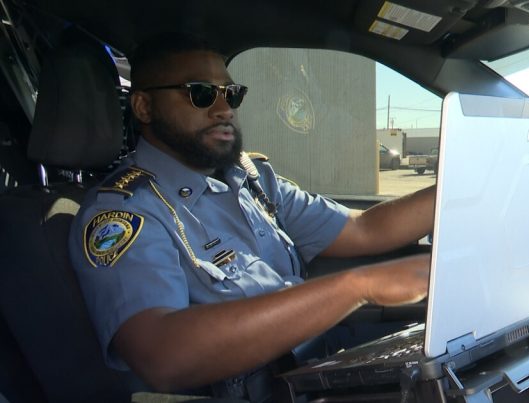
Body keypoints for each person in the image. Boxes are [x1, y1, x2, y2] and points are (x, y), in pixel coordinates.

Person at [68, 32, 435, 399]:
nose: (224, 109)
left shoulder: (251, 179)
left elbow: (364, 228)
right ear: (144, 107)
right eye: (200, 93)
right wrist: (357, 286)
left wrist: (465, 189)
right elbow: (163, 355)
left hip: (314, 372)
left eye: (231, 94)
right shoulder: (124, 212)